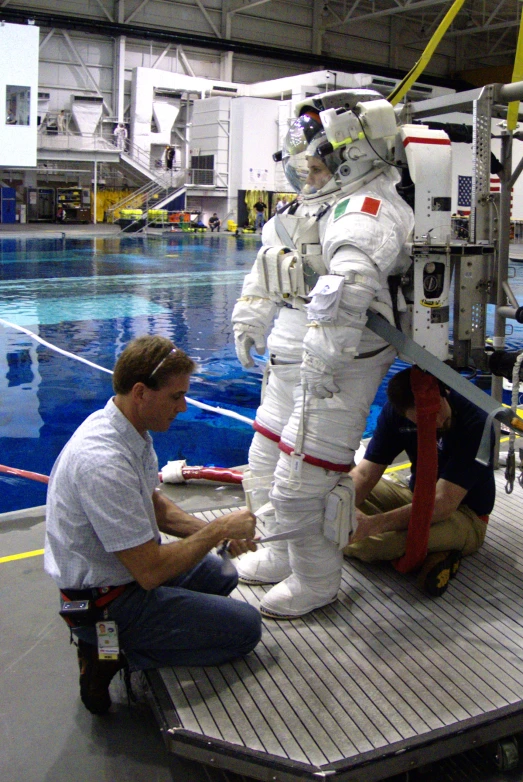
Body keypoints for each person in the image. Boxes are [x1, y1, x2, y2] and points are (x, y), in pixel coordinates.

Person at [233, 89, 414, 619]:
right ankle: (277, 554)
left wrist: (323, 357)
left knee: (300, 484)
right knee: (262, 466)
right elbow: (270, 266)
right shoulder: (312, 208)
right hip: (291, 360)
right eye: (307, 166)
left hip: (338, 369)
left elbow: (347, 292)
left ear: (352, 156)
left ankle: (317, 581)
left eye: (316, 166)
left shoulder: (368, 212)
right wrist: (251, 316)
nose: (308, 175)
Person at [44, 336, 261, 715]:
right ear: (141, 392)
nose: (183, 406)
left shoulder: (126, 428)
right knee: (246, 629)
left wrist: (219, 535)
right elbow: (149, 571)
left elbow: (155, 506)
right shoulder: (103, 463)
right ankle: (110, 652)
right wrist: (216, 528)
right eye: (176, 397)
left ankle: (124, 641)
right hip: (107, 600)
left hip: (122, 577)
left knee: (222, 575)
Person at [345, 366, 495, 595]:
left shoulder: (476, 421)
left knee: (376, 544)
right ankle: (435, 551)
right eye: (421, 421)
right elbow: (365, 474)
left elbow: (442, 502)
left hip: (464, 515)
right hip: (416, 496)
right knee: (337, 493)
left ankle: (441, 546)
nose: (434, 424)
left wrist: (372, 524)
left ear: (444, 392)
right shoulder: (395, 413)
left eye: (436, 413)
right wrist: (342, 508)